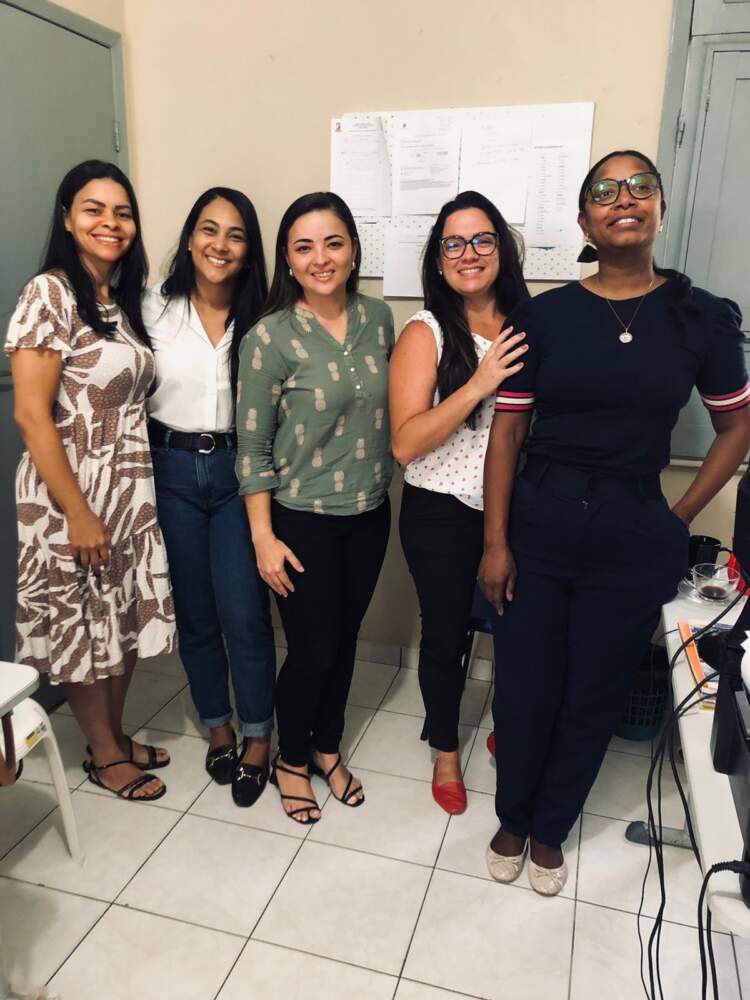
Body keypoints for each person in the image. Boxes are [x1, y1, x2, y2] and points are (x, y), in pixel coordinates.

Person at [479, 149, 750, 895]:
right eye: (605, 190)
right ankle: (513, 815)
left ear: (659, 208)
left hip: (633, 528)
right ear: (584, 221)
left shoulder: (702, 318)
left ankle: (551, 826)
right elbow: (507, 431)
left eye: (640, 187)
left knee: (594, 690)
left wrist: (679, 515)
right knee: (525, 687)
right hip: (539, 520)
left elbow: (737, 427)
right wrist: (495, 542)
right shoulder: (542, 317)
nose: (623, 198)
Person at [6, 160, 175, 802]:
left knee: (120, 617)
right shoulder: (48, 293)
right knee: (82, 622)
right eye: (94, 209)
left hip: (127, 488)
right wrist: (78, 513)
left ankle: (116, 736)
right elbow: (31, 414)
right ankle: (103, 755)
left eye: (122, 212)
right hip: (69, 493)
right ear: (68, 219)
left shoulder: (118, 302)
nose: (111, 223)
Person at [236, 192, 393, 824]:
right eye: (304, 247)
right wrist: (262, 537)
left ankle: (328, 746)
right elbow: (252, 447)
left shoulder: (380, 319)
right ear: (288, 259)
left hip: (371, 512)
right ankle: (292, 759)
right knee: (312, 649)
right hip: (302, 519)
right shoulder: (268, 337)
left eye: (333, 243)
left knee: (344, 640)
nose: (320, 258)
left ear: (353, 251)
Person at [389, 191, 529, 814]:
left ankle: (509, 727)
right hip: (441, 509)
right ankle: (445, 748)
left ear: (502, 249)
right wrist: (479, 382)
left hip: (516, 507)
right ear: (438, 259)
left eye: (482, 240)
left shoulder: (530, 322)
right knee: (446, 636)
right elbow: (405, 444)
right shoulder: (426, 332)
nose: (468, 254)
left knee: (521, 629)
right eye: (453, 243)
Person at [143, 187, 276, 808]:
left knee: (244, 613)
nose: (220, 245)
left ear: (249, 250)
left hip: (236, 471)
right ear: (190, 238)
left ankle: (257, 735)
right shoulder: (151, 307)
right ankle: (218, 726)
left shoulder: (266, 318)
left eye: (235, 234)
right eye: (208, 229)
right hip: (170, 467)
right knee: (195, 612)